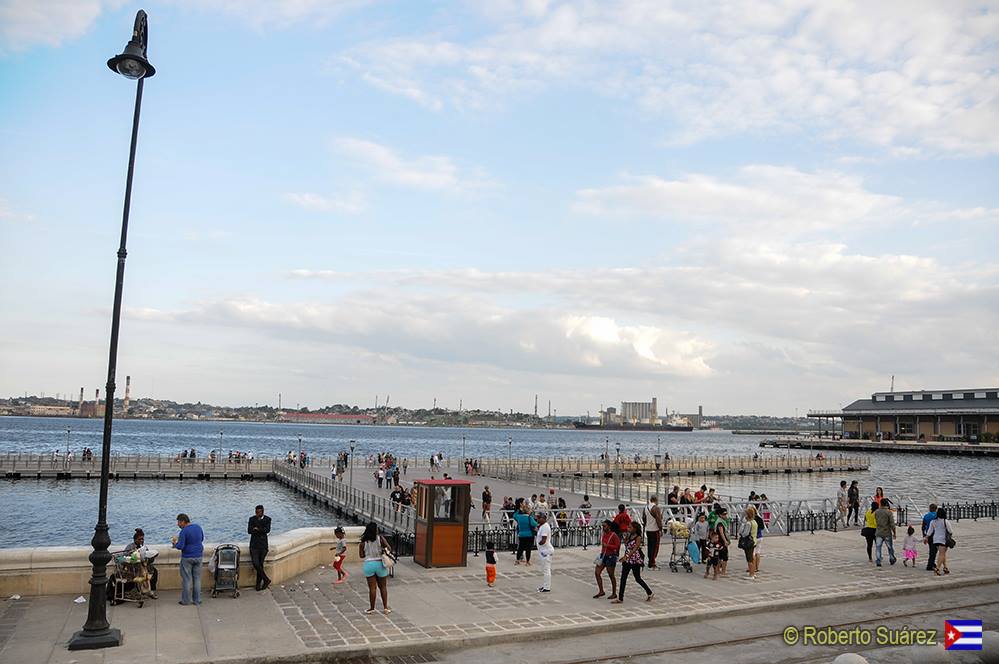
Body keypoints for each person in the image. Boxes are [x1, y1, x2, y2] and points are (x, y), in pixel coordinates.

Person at [612, 522, 653, 603]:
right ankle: (620, 598)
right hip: (627, 560)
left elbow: (635, 549)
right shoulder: (629, 535)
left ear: (635, 528)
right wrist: (626, 537)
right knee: (623, 578)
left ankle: (649, 592)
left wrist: (626, 557)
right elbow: (626, 544)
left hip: (635, 560)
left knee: (637, 578)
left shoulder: (638, 537)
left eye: (630, 527)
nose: (628, 529)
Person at [359, 522, 392, 614]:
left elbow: (361, 556)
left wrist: (368, 553)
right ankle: (385, 608)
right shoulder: (380, 539)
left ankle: (372, 608)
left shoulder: (363, 542)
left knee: (372, 588)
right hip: (380, 564)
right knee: (383, 587)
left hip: (369, 565)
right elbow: (389, 548)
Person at [172, 513, 204, 606]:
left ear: (183, 521)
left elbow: (181, 546)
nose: (178, 524)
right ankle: (197, 600)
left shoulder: (184, 531)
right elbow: (201, 539)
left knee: (186, 579)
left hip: (187, 557)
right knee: (197, 579)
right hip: (198, 556)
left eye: (178, 522)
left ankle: (186, 601)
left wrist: (175, 545)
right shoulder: (198, 527)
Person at [123, 528, 158, 599]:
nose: (141, 541)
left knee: (154, 571)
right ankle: (135, 591)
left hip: (143, 566)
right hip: (133, 568)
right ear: (135, 540)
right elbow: (125, 557)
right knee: (139, 574)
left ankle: (151, 590)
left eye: (142, 539)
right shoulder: (130, 547)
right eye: (139, 539)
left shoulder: (144, 548)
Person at [247, 504, 272, 591]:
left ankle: (258, 584)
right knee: (256, 563)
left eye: (259, 512)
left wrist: (257, 529)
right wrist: (259, 529)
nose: (257, 514)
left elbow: (267, 530)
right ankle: (266, 579)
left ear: (262, 512)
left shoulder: (267, 519)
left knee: (260, 564)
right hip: (254, 545)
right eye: (256, 512)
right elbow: (249, 531)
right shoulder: (251, 519)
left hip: (263, 546)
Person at [593, 520, 620, 599]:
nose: (603, 528)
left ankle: (614, 593)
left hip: (611, 556)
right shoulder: (604, 534)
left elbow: (617, 546)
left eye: (604, 526)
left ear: (609, 526)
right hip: (603, 555)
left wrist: (608, 545)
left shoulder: (614, 535)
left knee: (611, 575)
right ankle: (601, 591)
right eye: (602, 526)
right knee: (597, 572)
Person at [924, 506, 953, 576]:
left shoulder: (933, 521)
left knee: (942, 554)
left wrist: (926, 537)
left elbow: (930, 531)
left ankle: (945, 567)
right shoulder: (945, 521)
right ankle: (937, 568)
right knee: (942, 554)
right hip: (943, 540)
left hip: (935, 539)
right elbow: (950, 531)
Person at [874, 498, 897, 567]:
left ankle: (878, 560)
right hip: (887, 532)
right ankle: (892, 558)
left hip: (878, 531)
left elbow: (876, 520)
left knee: (878, 547)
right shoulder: (888, 512)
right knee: (890, 547)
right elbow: (892, 524)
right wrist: (894, 532)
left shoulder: (877, 511)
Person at [643, 496, 664, 570]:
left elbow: (644, 518)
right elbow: (658, 519)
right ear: (656, 500)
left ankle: (650, 561)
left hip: (648, 529)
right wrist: (661, 529)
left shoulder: (646, 507)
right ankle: (652, 563)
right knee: (655, 547)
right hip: (655, 530)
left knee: (650, 546)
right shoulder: (656, 508)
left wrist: (646, 526)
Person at [739, 506, 759, 580]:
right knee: (752, 558)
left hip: (748, 542)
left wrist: (741, 529)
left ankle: (751, 574)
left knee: (749, 559)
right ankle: (753, 572)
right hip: (754, 540)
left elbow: (745, 533)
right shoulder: (754, 522)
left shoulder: (748, 523)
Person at [535, 513, 554, 592]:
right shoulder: (542, 526)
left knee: (546, 570)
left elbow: (543, 540)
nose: (538, 520)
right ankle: (545, 586)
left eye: (539, 518)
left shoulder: (545, 527)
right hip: (543, 551)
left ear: (543, 518)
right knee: (545, 569)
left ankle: (547, 587)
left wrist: (539, 543)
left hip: (546, 551)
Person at [713, 507, 730, 577]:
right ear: (720, 515)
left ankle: (717, 570)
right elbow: (721, 533)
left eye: (726, 514)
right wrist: (725, 541)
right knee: (724, 557)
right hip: (721, 542)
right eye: (724, 514)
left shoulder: (719, 521)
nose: (726, 515)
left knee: (719, 556)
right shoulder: (720, 523)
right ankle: (723, 571)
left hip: (718, 542)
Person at [921, 503, 938, 572]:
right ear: (936, 509)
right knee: (933, 551)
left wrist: (924, 536)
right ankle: (930, 565)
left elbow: (923, 527)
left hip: (928, 534)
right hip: (936, 534)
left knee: (931, 549)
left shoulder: (926, 516)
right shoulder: (937, 516)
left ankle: (932, 563)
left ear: (930, 509)